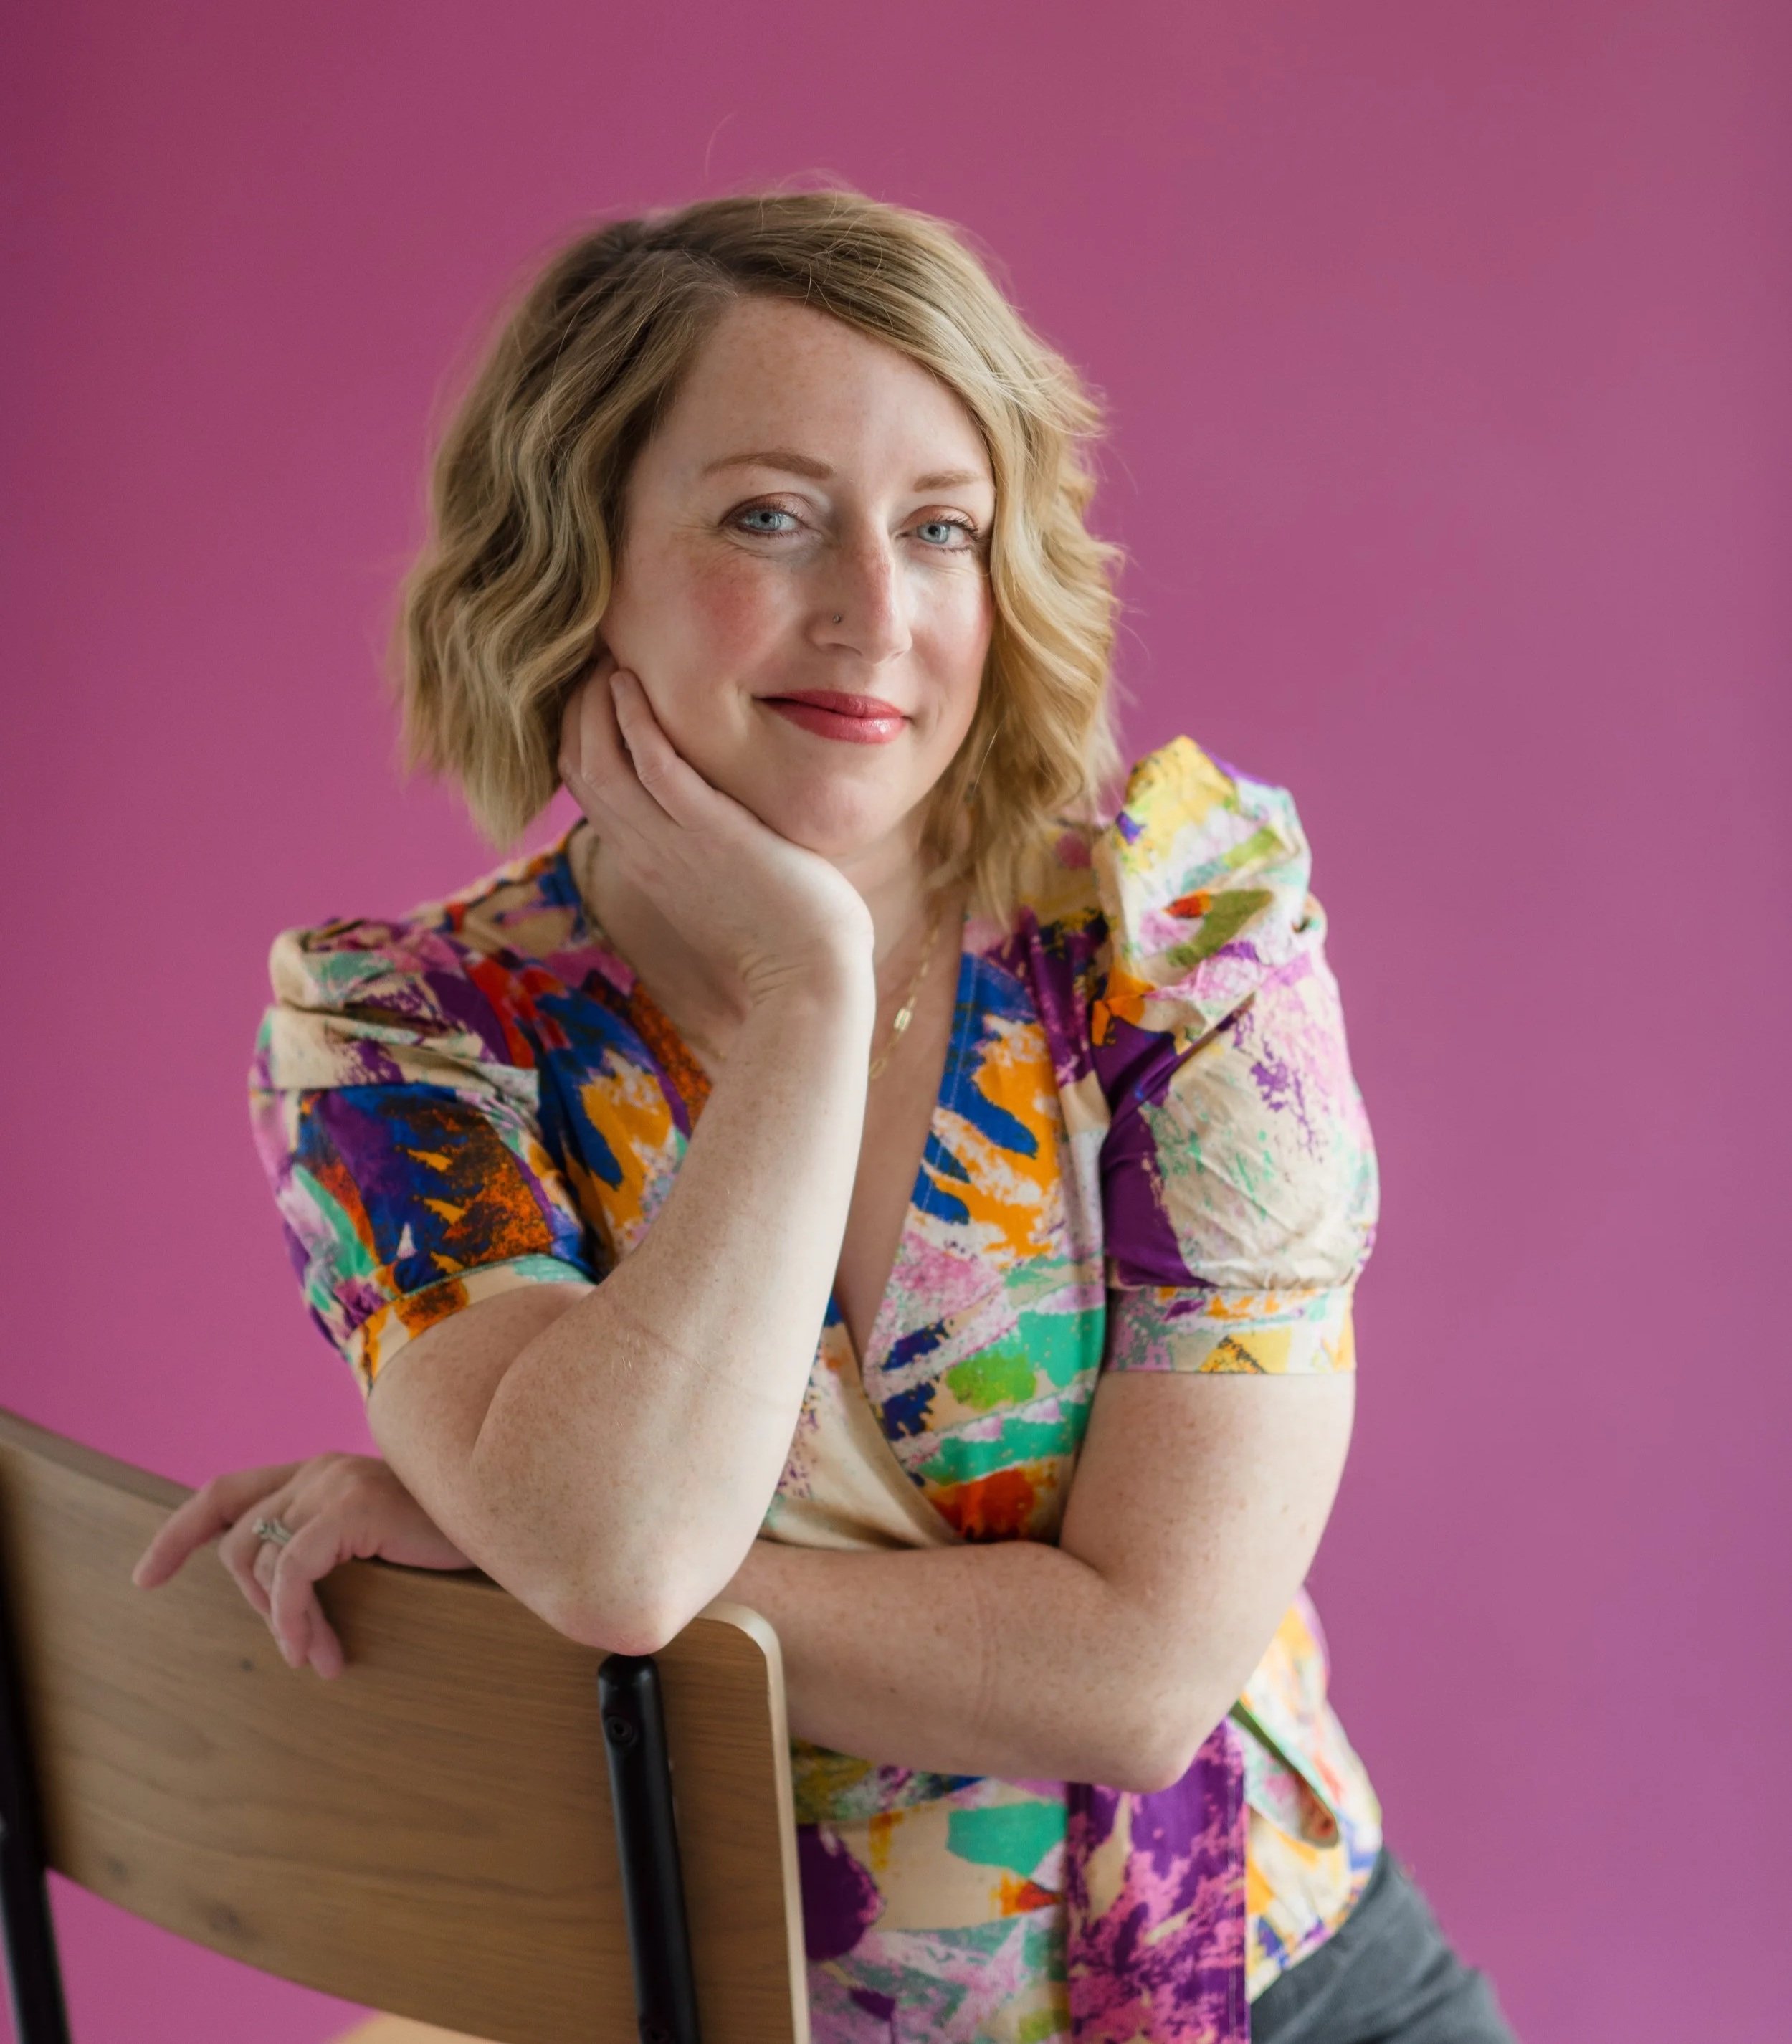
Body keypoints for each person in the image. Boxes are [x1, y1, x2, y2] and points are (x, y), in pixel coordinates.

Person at [135, 191, 1515, 2043]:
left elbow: (1137, 1679)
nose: (876, 612)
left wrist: (529, 1568)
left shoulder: (1178, 947)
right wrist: (806, 996)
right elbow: (614, 1550)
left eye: (940, 527)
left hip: (1264, 2000)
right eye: (769, 517)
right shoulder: (408, 1036)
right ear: (575, 552)